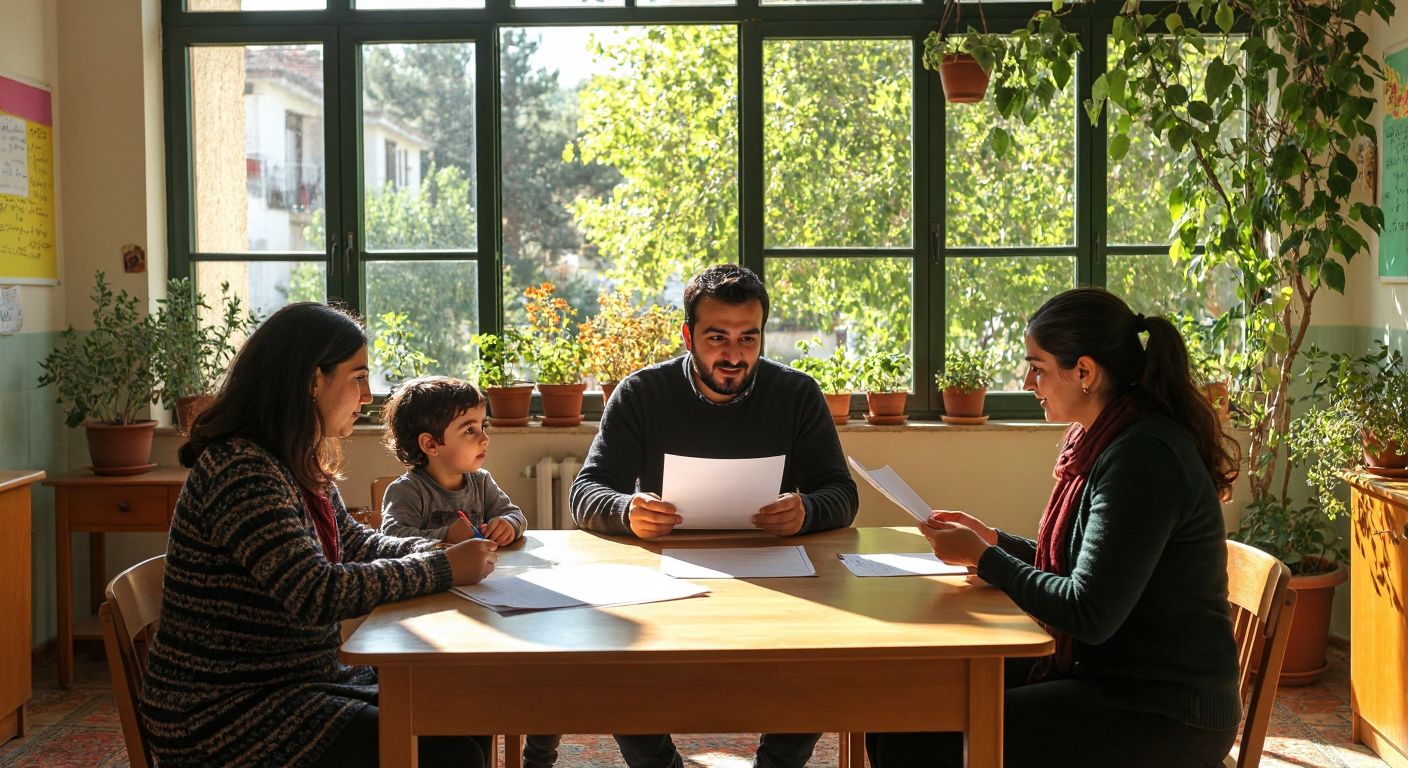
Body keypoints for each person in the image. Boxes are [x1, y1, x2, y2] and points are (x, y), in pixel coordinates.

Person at [866, 288, 1243, 768]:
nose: (1028, 382)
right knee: (898, 713)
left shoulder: (1142, 457)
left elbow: (1087, 611)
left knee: (915, 742)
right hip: (1111, 675)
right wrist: (994, 542)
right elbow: (1081, 567)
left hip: (1163, 711)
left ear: (1084, 372)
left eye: (1038, 367)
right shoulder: (1106, 440)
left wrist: (985, 559)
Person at [139, 303, 500, 768]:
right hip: (230, 714)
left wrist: (437, 547)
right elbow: (315, 592)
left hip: (298, 682)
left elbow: (354, 543)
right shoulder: (242, 470)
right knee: (450, 754)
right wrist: (442, 566)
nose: (367, 396)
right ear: (312, 380)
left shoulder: (292, 459)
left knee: (467, 710)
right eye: (358, 376)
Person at [570, 263, 859, 768]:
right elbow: (586, 492)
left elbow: (841, 493)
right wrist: (626, 510)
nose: (734, 354)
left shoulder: (796, 394)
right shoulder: (641, 394)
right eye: (717, 338)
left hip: (778, 574)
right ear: (687, 336)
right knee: (610, 659)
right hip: (663, 578)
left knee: (824, 655)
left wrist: (807, 509)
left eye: (749, 338)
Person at [378, 374, 562, 768]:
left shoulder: (481, 483)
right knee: (467, 696)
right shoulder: (407, 491)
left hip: (487, 602)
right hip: (433, 614)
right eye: (469, 429)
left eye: (484, 426)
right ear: (431, 444)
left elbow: (515, 513)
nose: (484, 438)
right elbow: (391, 536)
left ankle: (537, 753)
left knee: (546, 667)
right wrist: (446, 535)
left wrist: (508, 526)